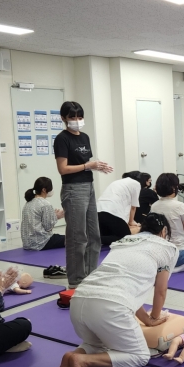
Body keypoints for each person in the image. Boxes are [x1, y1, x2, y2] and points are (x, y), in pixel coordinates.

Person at [55, 213, 178, 367]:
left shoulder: (125, 241)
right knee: (140, 355)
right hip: (109, 306)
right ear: (164, 231)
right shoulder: (166, 247)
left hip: (79, 299)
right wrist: (155, 317)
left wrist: (146, 319)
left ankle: (74, 356)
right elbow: (161, 291)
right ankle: (83, 360)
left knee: (96, 344)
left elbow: (127, 291)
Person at [54, 101, 113, 289]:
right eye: (72, 117)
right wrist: (89, 166)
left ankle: (90, 275)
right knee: (77, 237)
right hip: (73, 189)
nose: (77, 121)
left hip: (88, 186)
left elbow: (84, 162)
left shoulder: (85, 137)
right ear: (64, 118)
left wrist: (97, 166)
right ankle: (76, 280)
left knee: (94, 235)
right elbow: (63, 169)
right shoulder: (62, 139)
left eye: (79, 117)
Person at [97, 171, 142, 246]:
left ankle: (92, 239)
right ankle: (92, 239)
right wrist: (131, 222)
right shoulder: (136, 184)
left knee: (108, 235)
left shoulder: (117, 182)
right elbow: (133, 206)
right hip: (112, 211)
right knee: (125, 237)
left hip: (99, 209)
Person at [21, 177, 65, 251]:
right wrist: (56, 217)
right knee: (71, 239)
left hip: (27, 243)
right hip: (42, 242)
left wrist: (52, 216)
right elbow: (48, 227)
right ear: (44, 190)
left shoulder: (28, 202)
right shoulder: (45, 204)